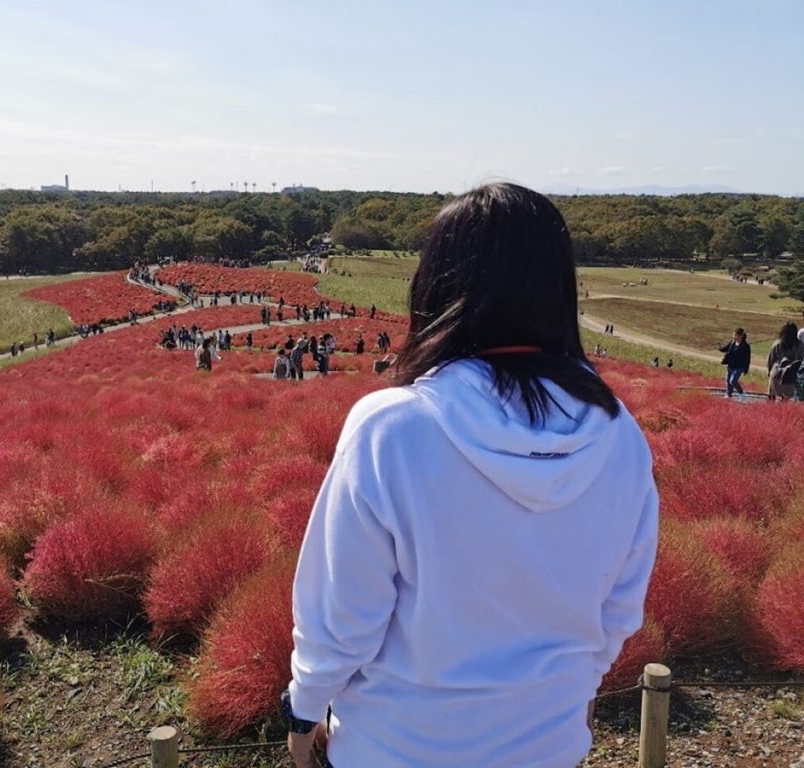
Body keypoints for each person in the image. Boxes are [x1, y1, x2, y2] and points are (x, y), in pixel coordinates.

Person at [285, 183, 658, 768]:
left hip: (396, 748)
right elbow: (617, 612)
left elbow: (341, 617)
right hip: (548, 745)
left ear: (436, 284)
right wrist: (578, 690)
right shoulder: (620, 435)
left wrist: (304, 713)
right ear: (558, 288)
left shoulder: (392, 429)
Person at [766, 322, 804, 401]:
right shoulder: (800, 345)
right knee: (786, 398)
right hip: (791, 375)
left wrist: (769, 371)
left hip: (777, 373)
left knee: (771, 396)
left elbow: (771, 359)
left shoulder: (777, 344)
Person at [718, 328, 751, 401]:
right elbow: (726, 349)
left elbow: (747, 358)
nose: (734, 337)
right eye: (733, 335)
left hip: (739, 367)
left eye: (735, 335)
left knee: (733, 381)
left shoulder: (745, 346)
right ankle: (729, 395)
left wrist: (746, 369)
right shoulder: (732, 342)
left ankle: (741, 393)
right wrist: (720, 347)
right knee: (728, 380)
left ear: (741, 336)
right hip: (730, 365)